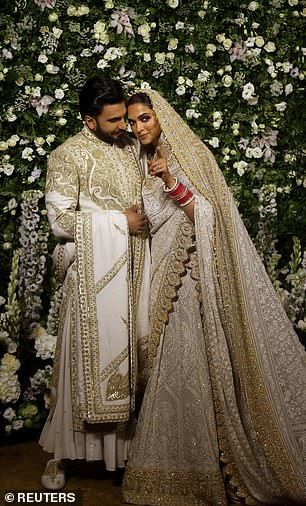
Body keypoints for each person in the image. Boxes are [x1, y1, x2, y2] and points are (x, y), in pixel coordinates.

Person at [122, 89, 306, 505]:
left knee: (186, 362)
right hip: (157, 272)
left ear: (161, 117)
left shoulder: (186, 155)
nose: (139, 127)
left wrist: (170, 182)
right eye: (133, 122)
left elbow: (208, 214)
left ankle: (197, 474)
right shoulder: (135, 160)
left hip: (188, 274)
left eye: (145, 118)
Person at [39, 77, 150, 490]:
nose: (124, 126)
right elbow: (60, 221)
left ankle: (123, 455)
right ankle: (61, 454)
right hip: (91, 277)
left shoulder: (129, 149)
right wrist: (119, 222)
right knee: (80, 366)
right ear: (89, 120)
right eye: (114, 119)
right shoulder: (67, 156)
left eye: (124, 116)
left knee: (131, 356)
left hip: (134, 267)